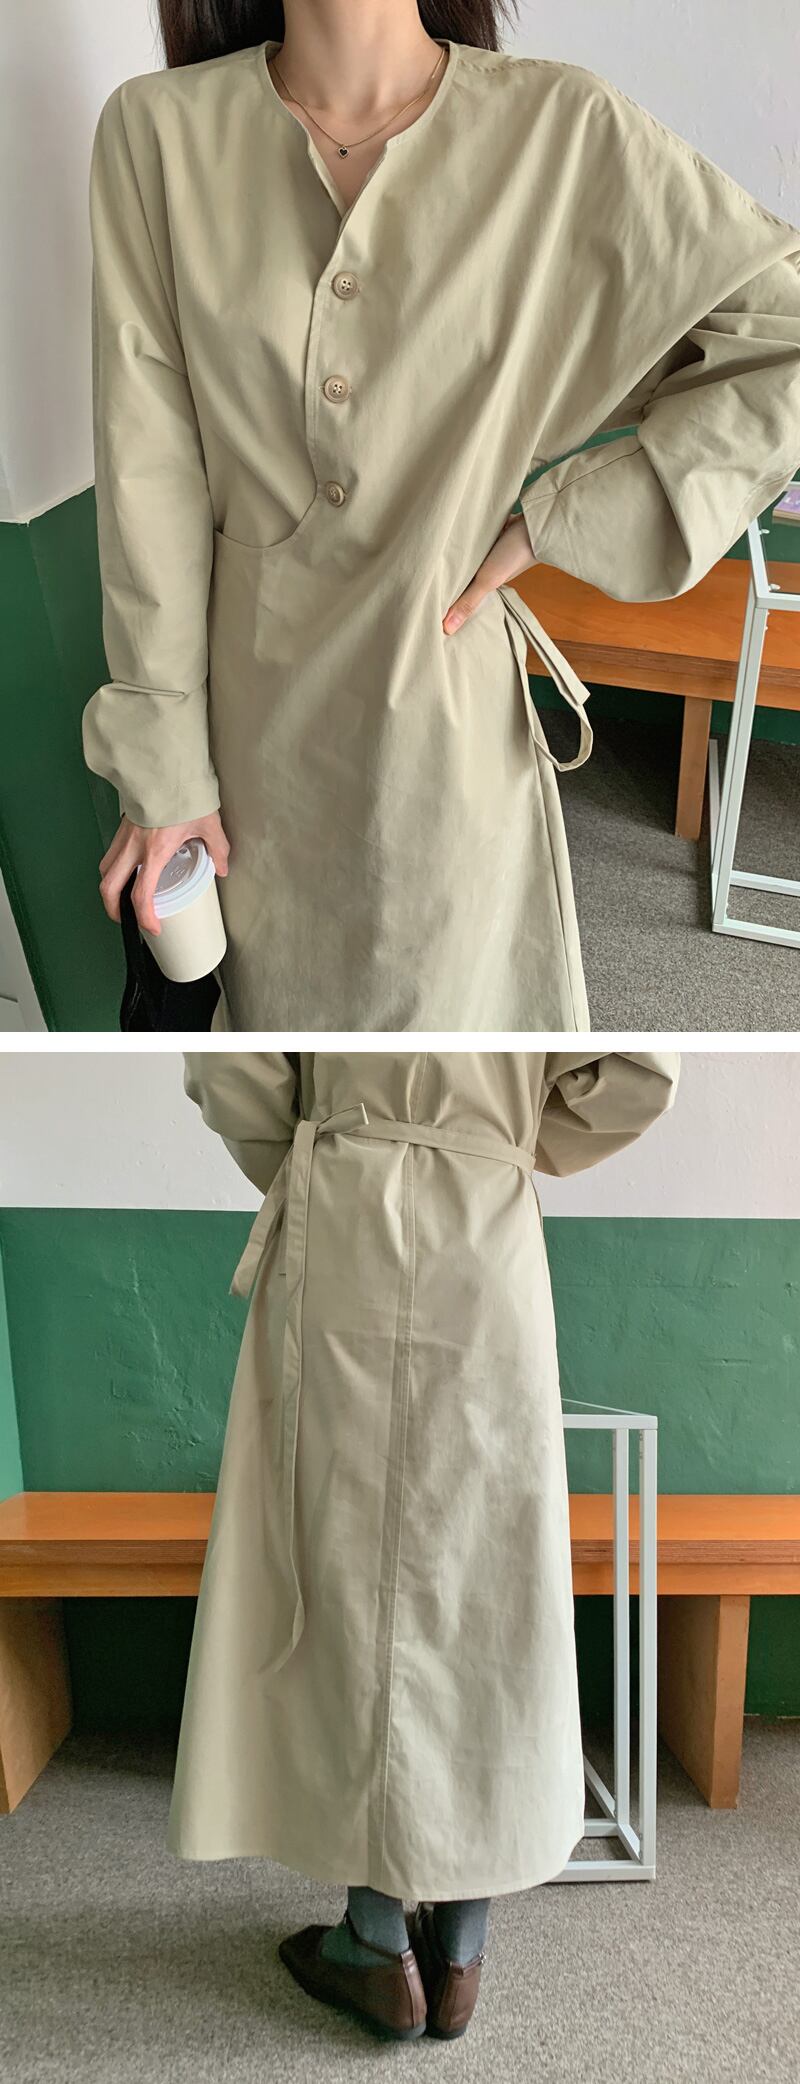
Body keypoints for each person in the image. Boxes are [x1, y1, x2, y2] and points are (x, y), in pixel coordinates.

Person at [82, 3, 800, 1028]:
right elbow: (147, 464)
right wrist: (161, 768)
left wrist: (561, 518)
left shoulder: (561, 129)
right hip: (244, 739)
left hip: (442, 720)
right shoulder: (156, 132)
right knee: (277, 1042)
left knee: (456, 1007)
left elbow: (781, 340)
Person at [166, 1048, 680, 2041]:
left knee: (345, 1570)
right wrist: (498, 1133)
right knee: (482, 1584)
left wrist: (335, 1148)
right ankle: (460, 1951)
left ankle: (374, 1941)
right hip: (485, 1232)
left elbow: (237, 1065)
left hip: (344, 1227)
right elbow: (637, 1075)